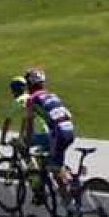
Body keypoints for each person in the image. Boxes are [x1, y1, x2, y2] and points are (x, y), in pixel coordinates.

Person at [18, 69, 78, 207]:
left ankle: (71, 206)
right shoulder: (53, 96)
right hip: (68, 129)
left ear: (30, 84)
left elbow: (29, 126)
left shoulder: (32, 100)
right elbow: (68, 115)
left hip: (58, 132)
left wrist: (26, 145)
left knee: (54, 168)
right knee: (57, 163)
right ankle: (71, 183)